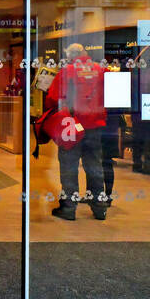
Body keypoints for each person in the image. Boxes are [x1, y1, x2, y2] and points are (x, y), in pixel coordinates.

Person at [45, 43, 110, 221]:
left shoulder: (66, 72)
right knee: (94, 166)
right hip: (94, 126)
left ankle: (69, 208)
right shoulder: (101, 70)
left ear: (70, 56)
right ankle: (99, 207)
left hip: (71, 127)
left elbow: (52, 98)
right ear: (85, 53)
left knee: (69, 167)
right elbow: (114, 93)